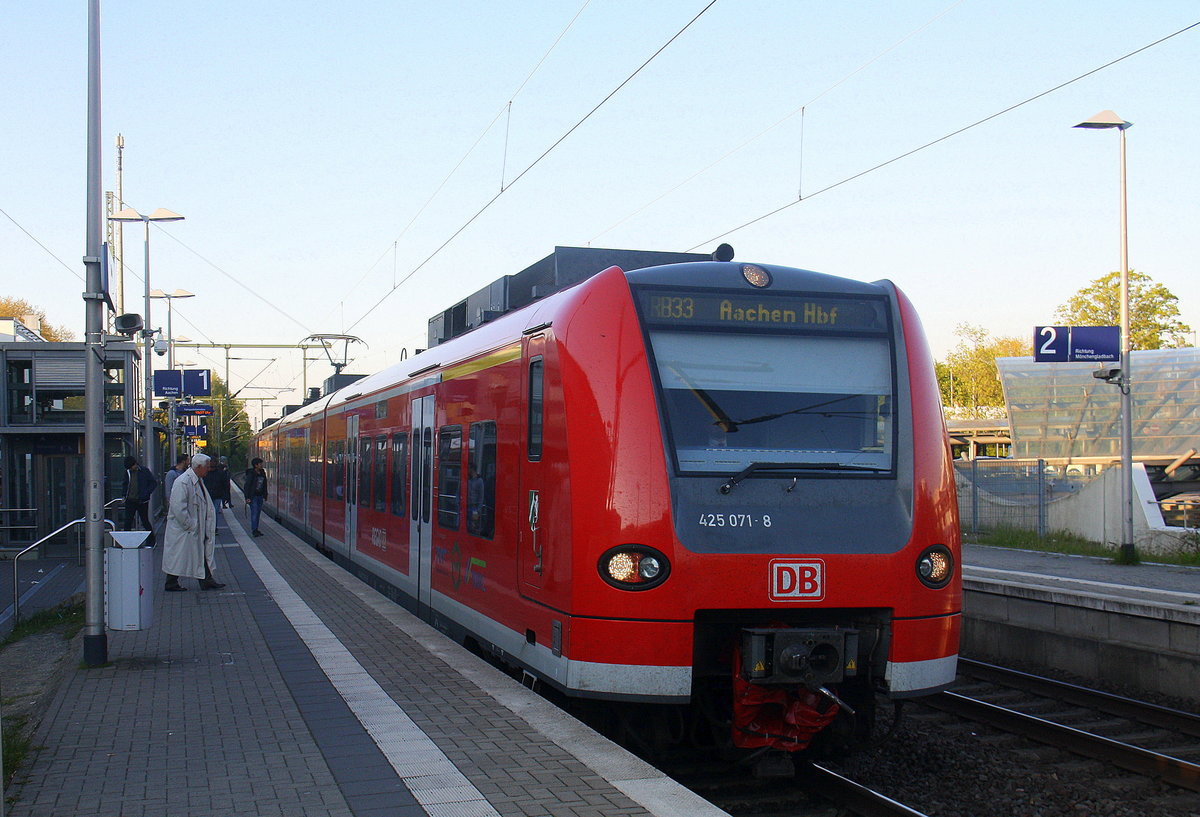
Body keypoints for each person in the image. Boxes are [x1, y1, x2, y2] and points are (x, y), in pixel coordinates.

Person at [162, 453, 225, 591]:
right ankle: (171, 583)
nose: (209, 469)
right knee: (179, 556)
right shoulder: (183, 482)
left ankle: (206, 580)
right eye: (207, 467)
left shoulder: (197, 480)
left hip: (193, 528)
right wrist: (191, 525)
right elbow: (178, 507)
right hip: (184, 530)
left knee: (199, 554)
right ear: (199, 467)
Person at [120, 456, 157, 546]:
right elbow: (125, 484)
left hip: (142, 500)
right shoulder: (128, 472)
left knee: (145, 521)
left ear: (135, 464)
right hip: (130, 500)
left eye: (132, 467)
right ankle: (126, 541)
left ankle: (151, 541)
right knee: (128, 521)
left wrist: (147, 493)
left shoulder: (144, 471)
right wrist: (124, 495)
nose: (131, 469)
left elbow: (153, 482)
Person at [243, 457, 268, 537]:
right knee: (254, 513)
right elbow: (247, 486)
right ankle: (254, 530)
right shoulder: (251, 474)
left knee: (257, 513)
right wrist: (247, 497)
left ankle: (256, 529)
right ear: (256, 465)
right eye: (260, 464)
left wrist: (265, 494)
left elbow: (264, 484)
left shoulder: (262, 473)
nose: (261, 465)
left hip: (260, 496)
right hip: (253, 496)